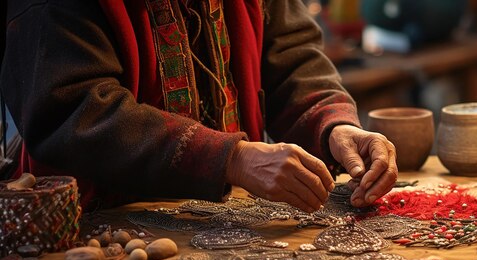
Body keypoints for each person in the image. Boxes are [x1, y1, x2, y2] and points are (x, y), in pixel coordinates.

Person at [0, 0, 397, 212]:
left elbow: (290, 56)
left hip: (227, 219)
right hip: (96, 228)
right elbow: (74, 110)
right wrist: (232, 159)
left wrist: (336, 128)